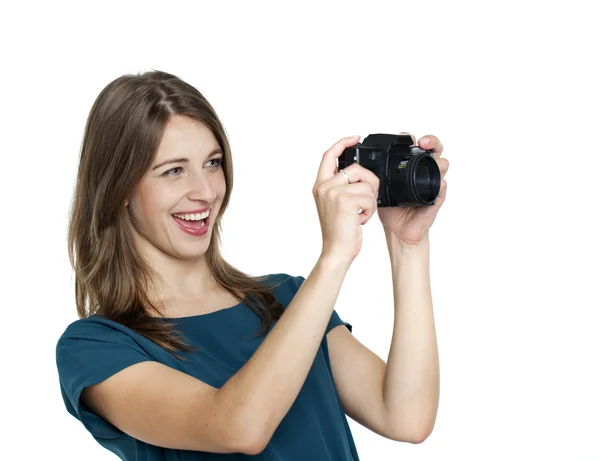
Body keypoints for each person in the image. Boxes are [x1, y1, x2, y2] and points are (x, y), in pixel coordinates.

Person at [55, 69, 448, 460]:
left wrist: (407, 244)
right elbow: (238, 427)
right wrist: (334, 257)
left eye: (212, 163)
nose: (206, 191)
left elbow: (405, 417)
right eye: (174, 171)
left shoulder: (286, 299)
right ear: (119, 188)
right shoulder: (97, 348)